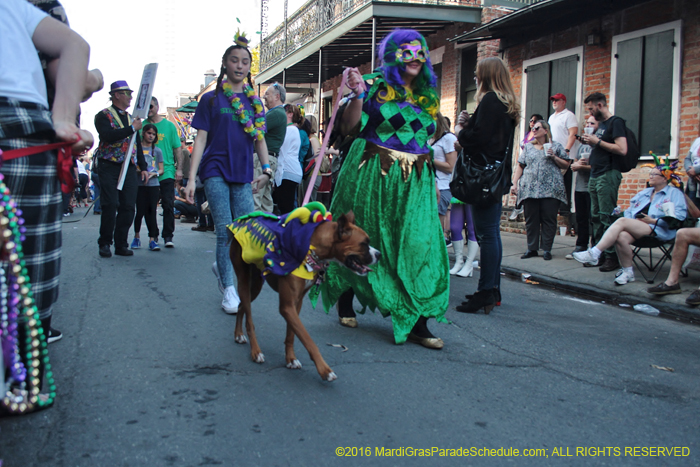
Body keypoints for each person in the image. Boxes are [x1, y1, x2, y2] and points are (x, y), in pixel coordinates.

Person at [314, 29, 448, 349]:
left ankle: (417, 320)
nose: (415, 58)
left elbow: (428, 137)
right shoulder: (376, 87)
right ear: (392, 55)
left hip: (414, 182)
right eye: (407, 52)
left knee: (419, 246)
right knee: (363, 237)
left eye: (420, 52)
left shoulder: (428, 96)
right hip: (372, 174)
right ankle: (347, 293)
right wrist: (358, 94)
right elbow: (348, 128)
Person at [1, 0, 93, 412]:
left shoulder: (17, 9)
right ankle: (23, 373)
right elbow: (73, 50)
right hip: (22, 127)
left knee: (28, 265)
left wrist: (62, 116)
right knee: (27, 265)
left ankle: (23, 371)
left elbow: (72, 47)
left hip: (22, 129)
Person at [184, 32, 272, 314]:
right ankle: (229, 289)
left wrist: (267, 170)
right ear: (224, 64)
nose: (239, 65)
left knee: (245, 231)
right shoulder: (210, 100)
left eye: (245, 61)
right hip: (215, 169)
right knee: (225, 231)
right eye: (234, 60)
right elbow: (199, 139)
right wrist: (189, 179)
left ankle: (222, 267)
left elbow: (259, 138)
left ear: (249, 68)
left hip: (243, 172)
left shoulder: (255, 103)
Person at [454, 56, 520, 313]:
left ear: (488, 75)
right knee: (491, 234)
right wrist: (471, 122)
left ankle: (485, 291)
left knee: (487, 234)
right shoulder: (506, 103)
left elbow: (477, 138)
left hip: (482, 178)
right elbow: (491, 138)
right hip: (494, 176)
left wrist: (461, 129)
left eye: (478, 73)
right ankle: (492, 290)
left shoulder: (491, 100)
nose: (475, 77)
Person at [573, 165, 687, 285]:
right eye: (650, 173)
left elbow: (679, 217)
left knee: (622, 221)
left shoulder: (674, 193)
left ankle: (595, 252)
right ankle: (628, 272)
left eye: (655, 174)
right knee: (621, 236)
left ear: (665, 178)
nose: (651, 176)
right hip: (638, 227)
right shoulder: (645, 192)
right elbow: (629, 210)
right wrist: (627, 219)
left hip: (659, 229)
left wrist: (653, 221)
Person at [94, 81, 149, 258]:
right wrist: (132, 128)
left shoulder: (131, 117)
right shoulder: (103, 116)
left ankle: (121, 243)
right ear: (116, 94)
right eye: (127, 93)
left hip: (129, 166)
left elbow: (137, 144)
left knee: (128, 206)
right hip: (109, 165)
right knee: (110, 204)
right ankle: (105, 242)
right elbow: (108, 136)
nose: (130, 97)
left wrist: (143, 167)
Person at [580, 92, 628, 272]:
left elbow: (622, 149)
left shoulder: (616, 123)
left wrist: (597, 142)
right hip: (595, 174)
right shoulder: (602, 126)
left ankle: (611, 257)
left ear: (600, 105)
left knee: (607, 215)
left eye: (591, 108)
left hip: (608, 174)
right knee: (596, 217)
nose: (590, 113)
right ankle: (597, 253)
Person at [511, 120, 571, 261]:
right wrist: (514, 183)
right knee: (531, 219)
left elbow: (566, 164)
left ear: (545, 130)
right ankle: (532, 248)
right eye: (532, 128)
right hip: (530, 189)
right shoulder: (528, 147)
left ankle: (546, 249)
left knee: (548, 219)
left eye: (537, 127)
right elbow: (521, 165)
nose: (534, 129)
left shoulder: (555, 146)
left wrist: (553, 156)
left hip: (550, 189)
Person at [144, 96, 182, 248]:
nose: (149, 110)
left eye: (151, 106)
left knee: (168, 204)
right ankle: (153, 235)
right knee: (149, 207)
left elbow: (177, 148)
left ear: (157, 107)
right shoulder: (142, 126)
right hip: (148, 173)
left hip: (166, 171)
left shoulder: (169, 126)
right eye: (146, 107)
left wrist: (179, 169)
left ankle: (168, 236)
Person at [566, 116, 597, 259]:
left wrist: (584, 166)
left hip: (593, 186)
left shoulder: (598, 144)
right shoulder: (581, 145)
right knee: (581, 218)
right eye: (587, 123)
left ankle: (595, 248)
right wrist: (577, 165)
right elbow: (574, 164)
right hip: (579, 187)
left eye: (592, 123)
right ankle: (580, 246)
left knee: (594, 218)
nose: (588, 126)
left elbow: (598, 167)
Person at [131, 123, 163, 251]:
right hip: (139, 183)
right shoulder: (136, 149)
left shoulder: (157, 151)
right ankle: (136, 237)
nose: (151, 136)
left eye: (153, 134)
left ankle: (152, 238)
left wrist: (153, 174)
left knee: (152, 212)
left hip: (153, 184)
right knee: (139, 211)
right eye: (149, 133)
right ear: (143, 133)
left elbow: (161, 169)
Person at [255, 82, 286, 212]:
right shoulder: (280, 113)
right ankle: (267, 229)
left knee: (255, 197)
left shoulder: (276, 114)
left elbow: (255, 130)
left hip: (263, 159)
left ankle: (252, 230)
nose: (264, 97)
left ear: (277, 96)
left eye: (267, 94)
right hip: (271, 159)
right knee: (265, 201)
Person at [548, 93, 579, 215]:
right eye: (553, 100)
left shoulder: (569, 115)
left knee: (564, 182)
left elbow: (573, 134)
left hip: (564, 155)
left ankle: (564, 210)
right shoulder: (551, 117)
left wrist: (566, 150)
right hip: (554, 153)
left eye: (557, 100)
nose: (554, 102)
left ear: (563, 102)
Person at [432, 113, 458, 247]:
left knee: (437, 226)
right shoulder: (428, 138)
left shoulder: (448, 138)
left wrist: (429, 159)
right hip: (430, 185)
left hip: (443, 186)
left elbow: (450, 167)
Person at [273, 104, 303, 214]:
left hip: (287, 171)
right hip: (289, 171)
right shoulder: (292, 130)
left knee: (286, 207)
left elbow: (281, 151)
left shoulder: (290, 130)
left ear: (290, 114)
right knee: (285, 205)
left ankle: (290, 229)